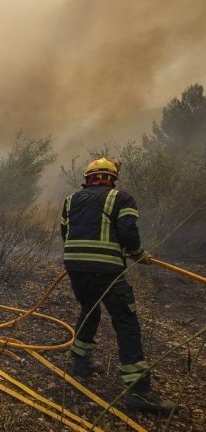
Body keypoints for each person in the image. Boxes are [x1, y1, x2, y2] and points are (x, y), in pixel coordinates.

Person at [61, 157, 174, 414]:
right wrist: (138, 253)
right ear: (112, 179)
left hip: (75, 267)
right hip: (106, 270)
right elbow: (128, 231)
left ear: (88, 178)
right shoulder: (121, 198)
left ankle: (80, 363)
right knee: (125, 320)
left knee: (89, 309)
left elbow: (65, 233)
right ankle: (139, 392)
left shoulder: (70, 199)